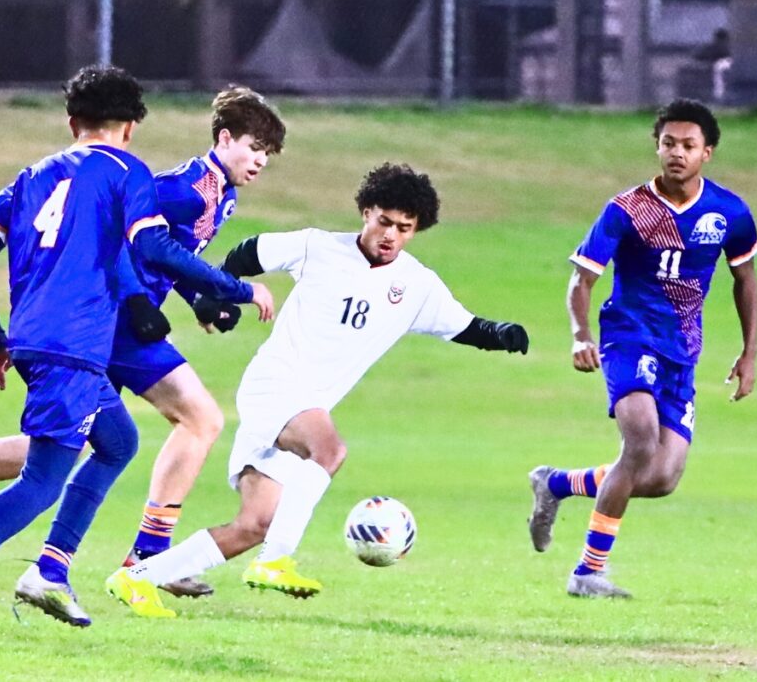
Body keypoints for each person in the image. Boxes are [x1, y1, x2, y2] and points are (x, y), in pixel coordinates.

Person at [0, 66, 274, 646]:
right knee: (44, 478)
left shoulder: (29, 177)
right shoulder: (131, 173)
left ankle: (47, 568)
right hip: (77, 341)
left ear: (72, 121)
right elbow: (149, 246)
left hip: (39, 338)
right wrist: (237, 288)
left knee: (116, 441)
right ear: (132, 127)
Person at [103, 162, 531, 618]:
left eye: (405, 228)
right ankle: (275, 563)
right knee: (330, 451)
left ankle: (136, 578)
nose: (391, 235)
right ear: (366, 211)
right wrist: (216, 295)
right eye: (384, 221)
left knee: (254, 525)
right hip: (277, 386)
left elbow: (464, 326)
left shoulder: (417, 285)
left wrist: (502, 334)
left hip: (303, 407)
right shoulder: (318, 246)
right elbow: (251, 251)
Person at [527, 99, 757, 598]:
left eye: (688, 145)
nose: (677, 153)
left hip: (683, 351)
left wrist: (750, 352)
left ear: (708, 153)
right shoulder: (626, 210)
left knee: (660, 477)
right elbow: (582, 280)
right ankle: (587, 573)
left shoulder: (730, 212)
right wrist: (580, 335)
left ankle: (556, 484)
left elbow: (746, 279)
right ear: (657, 147)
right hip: (628, 337)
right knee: (638, 444)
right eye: (668, 143)